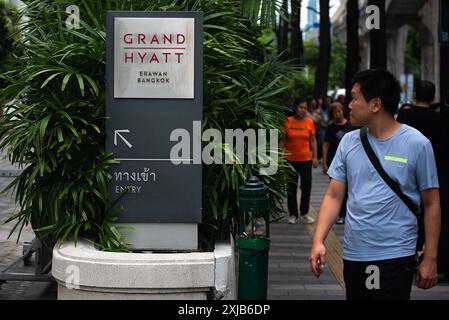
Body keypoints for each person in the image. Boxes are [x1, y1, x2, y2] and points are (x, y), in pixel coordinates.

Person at [310, 69, 441, 300]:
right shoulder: (349, 142)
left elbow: (432, 204)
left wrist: (430, 257)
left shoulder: (417, 144)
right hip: (354, 255)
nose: (349, 104)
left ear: (375, 104)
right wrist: (319, 240)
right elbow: (333, 196)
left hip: (395, 255)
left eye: (355, 98)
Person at [397, 80, 442, 253]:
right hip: (432, 170)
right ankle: (422, 248)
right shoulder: (438, 118)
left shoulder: (406, 116)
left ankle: (411, 247)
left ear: (415, 94)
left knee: (409, 206)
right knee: (428, 208)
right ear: (433, 97)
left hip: (405, 168)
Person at [281, 98, 318, 224]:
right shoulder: (287, 121)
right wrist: (279, 156)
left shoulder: (309, 122)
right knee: (291, 188)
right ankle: (293, 214)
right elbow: (283, 140)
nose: (303, 110)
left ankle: (304, 212)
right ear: (295, 108)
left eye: (305, 108)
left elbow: (313, 140)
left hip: (306, 159)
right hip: (290, 160)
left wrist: (315, 157)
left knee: (306, 186)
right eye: (301, 107)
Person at [322, 102, 356, 224]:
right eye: (335, 112)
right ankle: (341, 215)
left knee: (349, 189)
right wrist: (324, 163)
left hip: (350, 161)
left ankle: (348, 214)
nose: (338, 114)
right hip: (334, 162)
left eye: (340, 111)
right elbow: (325, 145)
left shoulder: (351, 125)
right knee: (337, 190)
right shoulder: (330, 128)